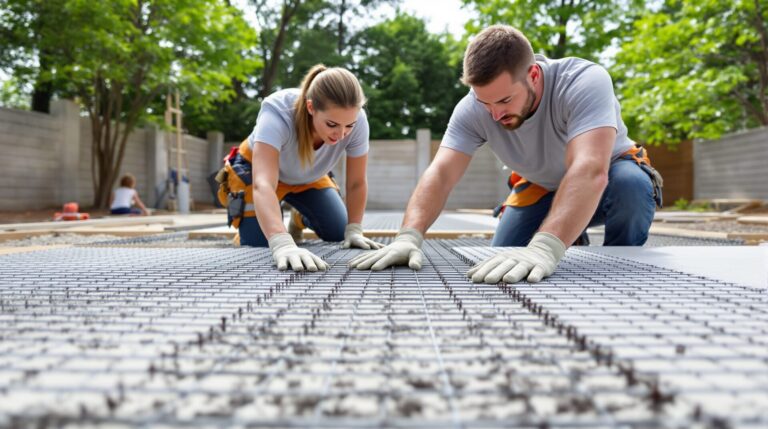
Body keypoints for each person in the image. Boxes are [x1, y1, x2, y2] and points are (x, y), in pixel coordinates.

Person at [349, 25, 662, 284]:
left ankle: (619, 269)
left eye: (504, 101)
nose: (495, 115)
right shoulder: (473, 109)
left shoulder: (583, 81)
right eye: (486, 104)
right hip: (540, 186)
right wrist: (409, 235)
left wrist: (545, 247)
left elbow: (590, 168)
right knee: (502, 262)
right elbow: (441, 173)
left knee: (631, 187)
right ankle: (570, 233)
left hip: (609, 177)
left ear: (534, 76)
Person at [222, 64, 382, 272]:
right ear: (310, 108)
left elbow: (356, 182)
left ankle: (299, 217)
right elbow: (263, 184)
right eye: (332, 124)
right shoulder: (277, 111)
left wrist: (354, 230)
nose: (341, 134)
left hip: (308, 175)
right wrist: (282, 243)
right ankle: (252, 225)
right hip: (257, 173)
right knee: (259, 243)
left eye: (348, 126)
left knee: (338, 231)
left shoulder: (358, 120)